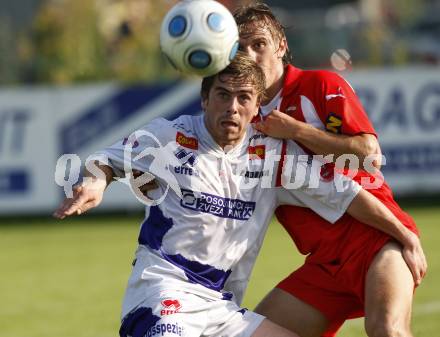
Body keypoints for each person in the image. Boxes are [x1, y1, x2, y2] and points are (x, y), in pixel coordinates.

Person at [53, 53, 425, 337]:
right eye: (222, 95)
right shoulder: (169, 136)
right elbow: (106, 161)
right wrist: (96, 182)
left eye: (244, 98)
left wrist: (405, 235)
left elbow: (346, 194)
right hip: (162, 295)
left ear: (256, 106)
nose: (232, 107)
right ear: (205, 99)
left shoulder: (274, 155)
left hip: (222, 308)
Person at [233, 3, 427, 337]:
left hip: (378, 238)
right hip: (325, 263)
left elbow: (370, 154)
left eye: (259, 44)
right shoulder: (241, 117)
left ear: (280, 46)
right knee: (250, 333)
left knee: (387, 330)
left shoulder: (318, 85)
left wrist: (296, 130)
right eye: (241, 48)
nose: (250, 55)